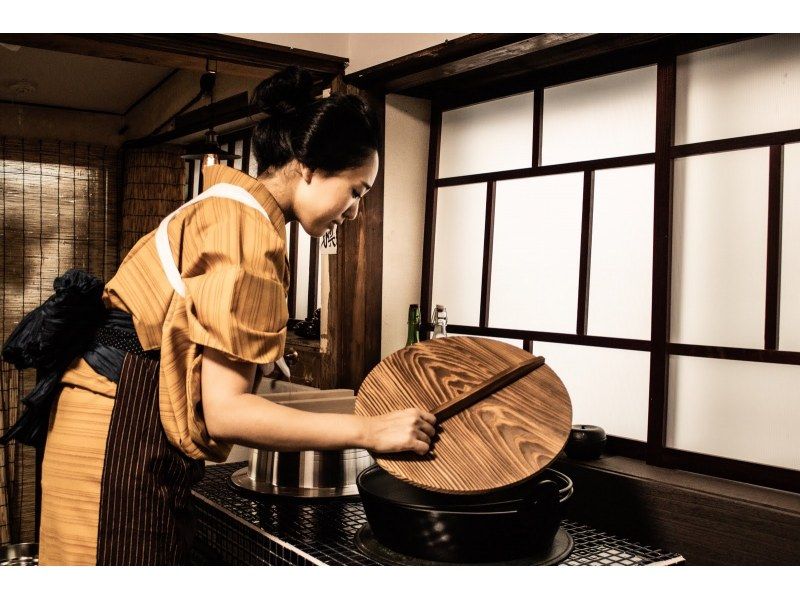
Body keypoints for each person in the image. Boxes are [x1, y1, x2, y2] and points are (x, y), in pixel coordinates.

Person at [23, 66, 436, 566]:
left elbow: (176, 323)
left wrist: (252, 356)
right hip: (117, 438)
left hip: (101, 419)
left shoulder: (225, 206)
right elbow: (227, 412)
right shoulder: (249, 231)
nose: (354, 213)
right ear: (307, 166)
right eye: (356, 191)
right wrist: (370, 430)